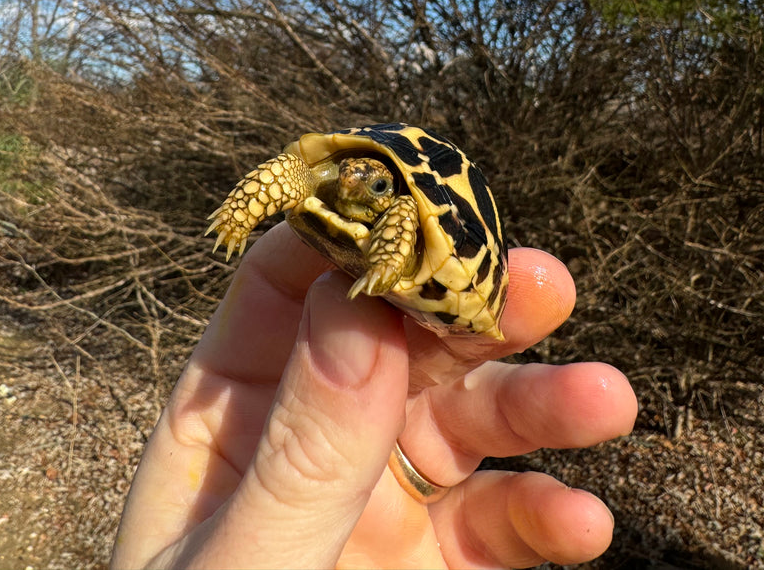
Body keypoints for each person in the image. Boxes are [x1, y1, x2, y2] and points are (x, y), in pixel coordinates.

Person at [111, 221, 638, 569]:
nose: (357, 185)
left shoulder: (400, 216)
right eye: (354, 175)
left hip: (444, 283)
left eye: (376, 183)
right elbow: (298, 169)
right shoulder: (335, 180)